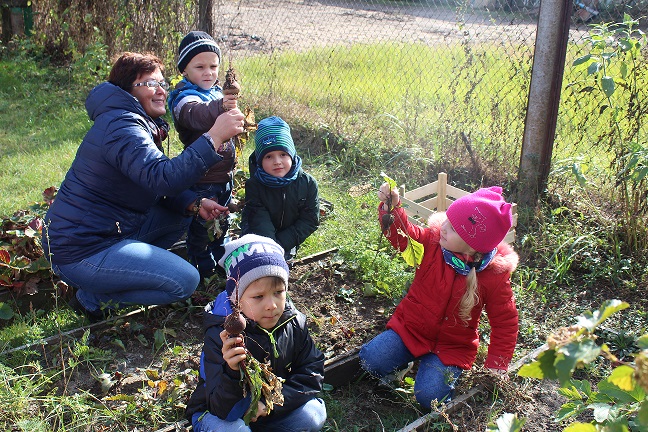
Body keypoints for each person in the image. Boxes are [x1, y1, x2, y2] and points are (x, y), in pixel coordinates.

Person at [42, 52, 246, 321]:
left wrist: (194, 203)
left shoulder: (131, 120)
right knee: (184, 281)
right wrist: (214, 137)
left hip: (106, 231)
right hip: (80, 250)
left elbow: (154, 184)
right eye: (151, 84)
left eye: (162, 83)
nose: (161, 91)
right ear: (128, 90)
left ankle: (111, 274)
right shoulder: (122, 127)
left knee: (180, 216)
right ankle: (92, 297)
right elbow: (163, 177)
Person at [359, 184, 519, 409]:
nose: (443, 227)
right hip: (412, 329)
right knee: (370, 360)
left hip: (452, 346)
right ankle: (404, 363)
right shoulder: (433, 243)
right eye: (447, 220)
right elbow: (404, 236)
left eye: (452, 228)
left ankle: (434, 371)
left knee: (430, 398)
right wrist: (391, 209)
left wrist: (497, 365)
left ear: (473, 245)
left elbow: (505, 323)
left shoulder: (494, 276)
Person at [186, 234, 327, 431]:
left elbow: (311, 371)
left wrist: (272, 404)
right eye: (258, 296)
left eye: (278, 292)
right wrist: (232, 372)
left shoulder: (294, 323)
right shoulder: (220, 334)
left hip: (266, 410)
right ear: (236, 300)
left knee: (314, 413)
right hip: (220, 415)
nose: (271, 305)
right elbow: (223, 410)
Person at [167, 31, 239, 279]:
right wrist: (221, 107)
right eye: (200, 67)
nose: (208, 72)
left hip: (222, 175)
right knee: (202, 226)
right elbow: (196, 115)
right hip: (202, 176)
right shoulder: (183, 97)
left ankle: (222, 261)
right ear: (184, 71)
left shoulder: (216, 93)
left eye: (213, 66)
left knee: (222, 220)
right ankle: (202, 269)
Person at [241, 116, 320, 260]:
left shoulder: (308, 184)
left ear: (292, 154)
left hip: (287, 238)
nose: (277, 162)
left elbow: (310, 220)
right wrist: (270, 247)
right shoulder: (254, 185)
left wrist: (281, 243)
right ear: (259, 160)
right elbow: (259, 219)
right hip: (259, 237)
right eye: (269, 157)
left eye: (283, 154)